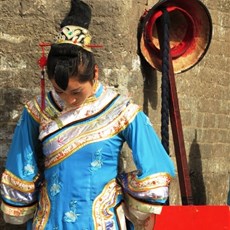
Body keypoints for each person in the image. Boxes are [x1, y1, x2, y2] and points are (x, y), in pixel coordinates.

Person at [0, 0, 175, 229]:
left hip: (100, 221)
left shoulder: (120, 110)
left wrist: (122, 185)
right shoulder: (37, 110)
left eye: (76, 92)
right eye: (60, 91)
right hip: (51, 219)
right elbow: (20, 165)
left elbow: (156, 166)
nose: (69, 100)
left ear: (95, 73)